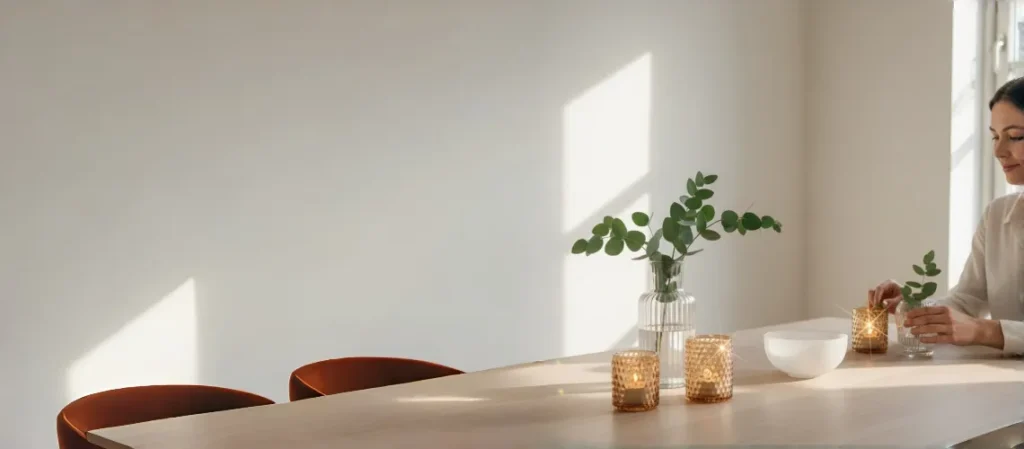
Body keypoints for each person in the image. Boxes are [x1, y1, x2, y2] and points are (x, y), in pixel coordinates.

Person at [868, 77, 1024, 355]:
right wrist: (914, 304)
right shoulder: (996, 215)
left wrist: (982, 330)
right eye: (994, 137)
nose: (999, 151)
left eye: (1014, 136)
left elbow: (973, 323)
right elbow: (967, 299)